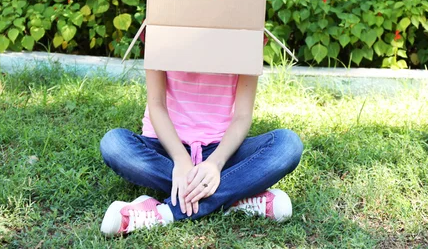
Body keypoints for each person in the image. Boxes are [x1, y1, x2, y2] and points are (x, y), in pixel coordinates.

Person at [98, 69, 304, 235]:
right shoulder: (162, 30)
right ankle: (236, 198)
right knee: (115, 144)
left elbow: (242, 115)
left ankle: (163, 213)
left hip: (222, 151)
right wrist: (181, 160)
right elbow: (157, 104)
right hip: (166, 149)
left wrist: (215, 163)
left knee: (287, 144)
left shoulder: (245, 37)